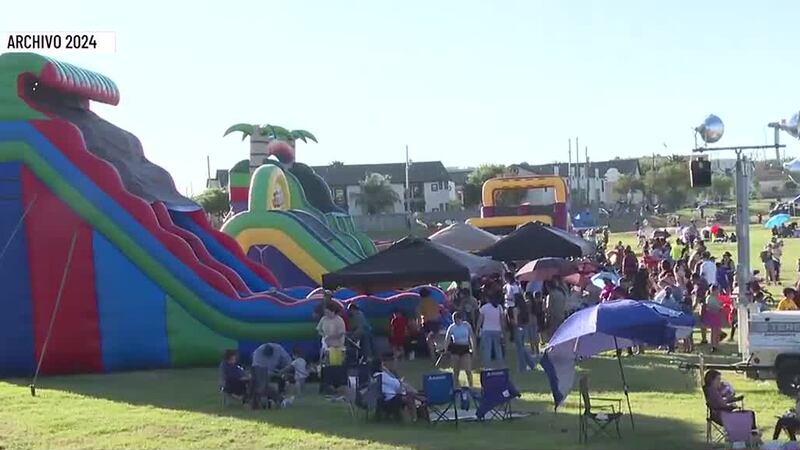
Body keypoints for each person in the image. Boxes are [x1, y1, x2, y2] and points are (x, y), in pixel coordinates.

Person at [251, 343, 293, 407]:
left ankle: (280, 396)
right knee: (262, 384)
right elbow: (256, 369)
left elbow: (289, 362)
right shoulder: (257, 354)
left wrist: (283, 370)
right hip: (263, 374)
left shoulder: (279, 349)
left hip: (277, 371)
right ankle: (278, 399)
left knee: (284, 377)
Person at [444, 311, 475, 388]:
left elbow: (471, 337)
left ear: (461, 319)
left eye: (458, 320)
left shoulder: (467, 325)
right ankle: (456, 386)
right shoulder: (452, 327)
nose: (456, 322)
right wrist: (445, 349)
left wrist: (473, 348)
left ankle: (471, 386)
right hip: (455, 348)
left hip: (465, 348)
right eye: (455, 320)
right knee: (456, 370)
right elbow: (447, 339)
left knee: (468, 369)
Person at [513, 292, 539, 371]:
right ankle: (531, 364)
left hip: (518, 328)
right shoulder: (524, 307)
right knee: (523, 347)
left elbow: (515, 321)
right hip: (524, 327)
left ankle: (522, 366)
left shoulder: (516, 309)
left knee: (520, 349)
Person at [478, 295, 505, 368]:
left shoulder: (484, 308)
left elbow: (480, 320)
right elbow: (502, 321)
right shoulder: (499, 307)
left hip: (486, 330)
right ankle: (500, 367)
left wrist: (477, 329)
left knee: (487, 350)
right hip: (497, 330)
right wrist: (503, 332)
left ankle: (487, 367)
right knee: (498, 350)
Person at [417, 287, 442, 360]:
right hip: (436, 322)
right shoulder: (434, 301)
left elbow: (419, 315)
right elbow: (438, 311)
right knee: (434, 338)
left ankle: (433, 356)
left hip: (428, 323)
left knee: (429, 340)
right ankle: (438, 353)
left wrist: (418, 325)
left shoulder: (421, 303)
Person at [704, 285, 724, 352]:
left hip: (717, 315)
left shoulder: (716, 297)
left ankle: (717, 344)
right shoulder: (709, 298)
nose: (718, 291)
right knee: (713, 331)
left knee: (717, 331)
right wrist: (720, 307)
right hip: (712, 315)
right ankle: (713, 345)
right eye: (717, 290)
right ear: (713, 290)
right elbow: (711, 306)